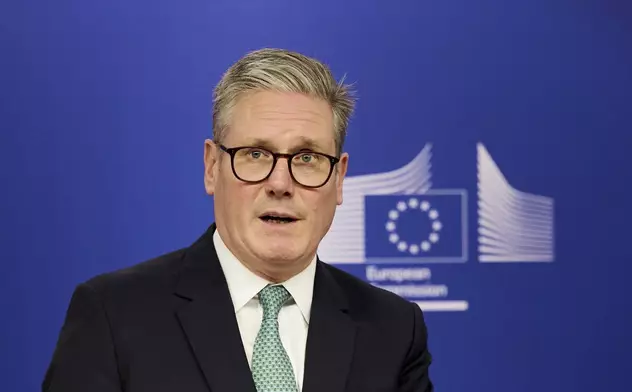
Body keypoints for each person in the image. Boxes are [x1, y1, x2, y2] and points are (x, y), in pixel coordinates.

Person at [42, 48, 434, 392]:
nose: (280, 184)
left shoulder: (394, 329)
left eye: (307, 158)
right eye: (256, 154)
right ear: (212, 167)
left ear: (339, 177)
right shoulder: (114, 316)